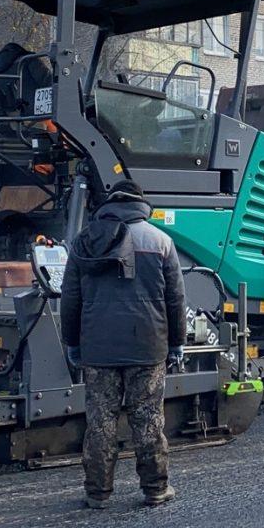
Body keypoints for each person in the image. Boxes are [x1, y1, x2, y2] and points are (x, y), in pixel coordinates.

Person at [59, 179, 185, 509]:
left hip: (98, 349)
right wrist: (177, 343)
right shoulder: (161, 241)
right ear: (140, 205)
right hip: (147, 345)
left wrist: (72, 342)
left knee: (100, 421)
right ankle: (155, 489)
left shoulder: (84, 241)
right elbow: (175, 300)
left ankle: (97, 493)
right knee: (148, 420)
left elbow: (70, 299)